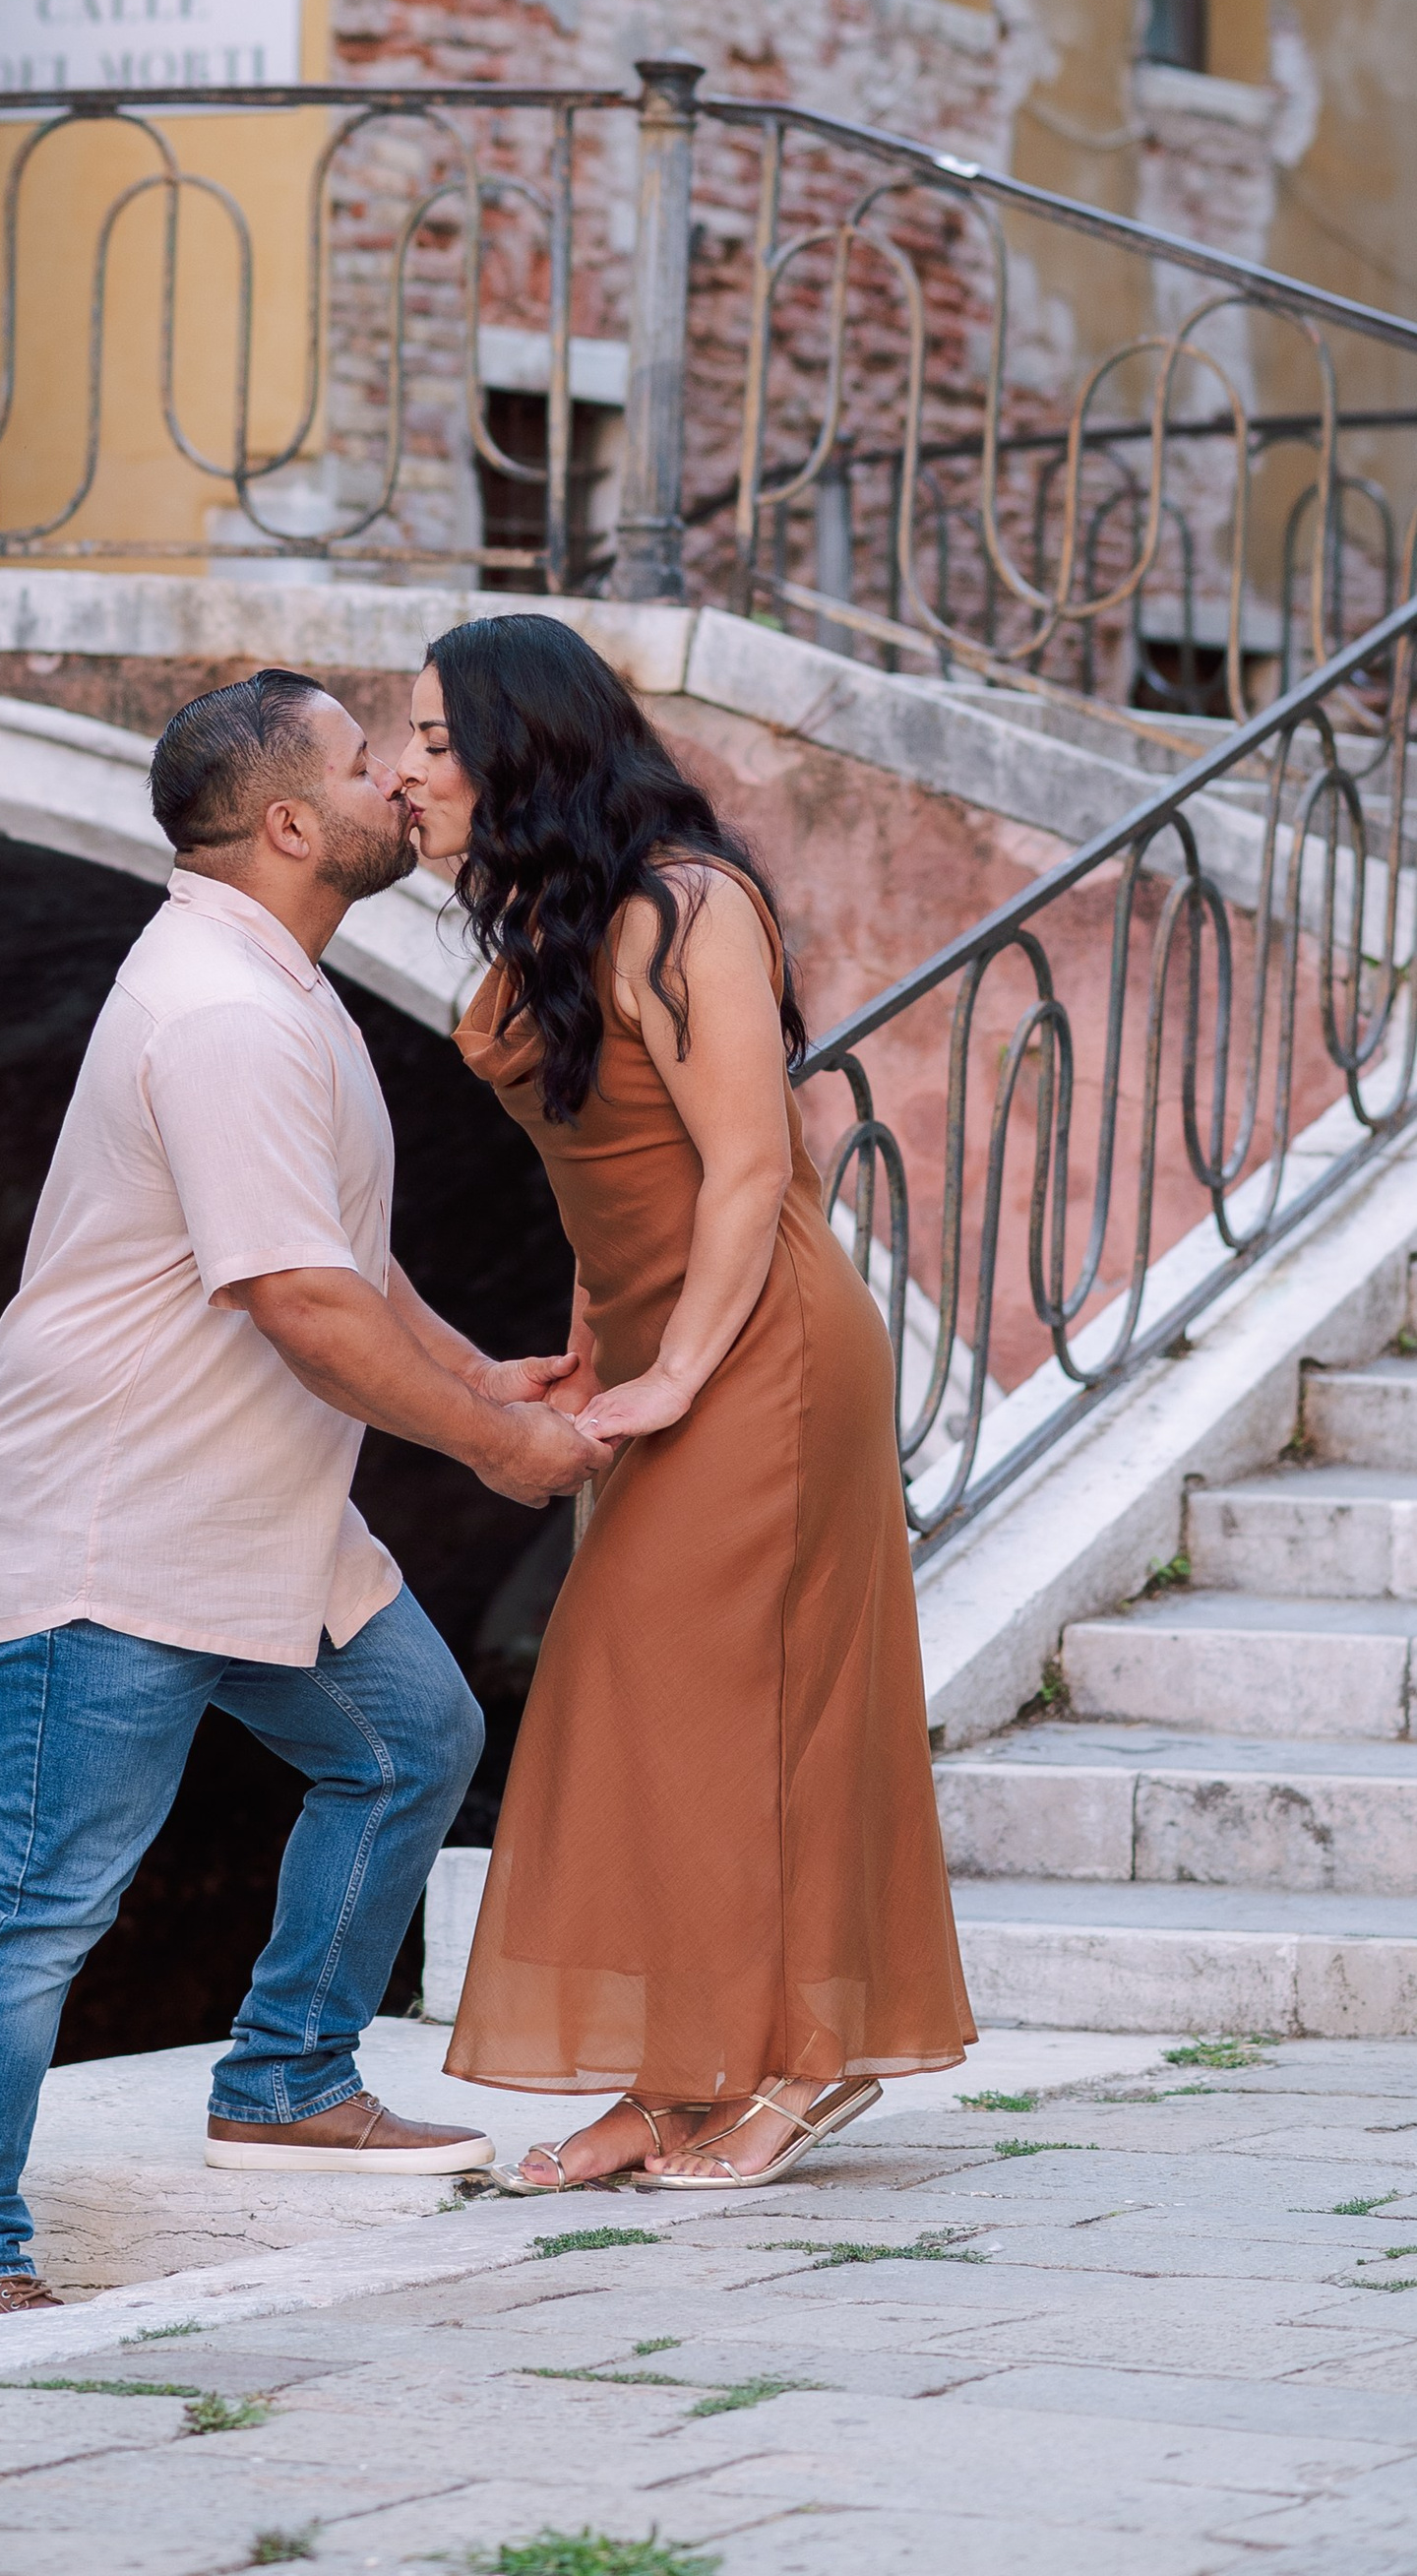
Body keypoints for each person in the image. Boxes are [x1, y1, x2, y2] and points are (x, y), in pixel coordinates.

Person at [0, 667, 603, 2328]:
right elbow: (295, 1299)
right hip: (113, 1523)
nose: (401, 785)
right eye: (369, 765)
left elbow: (345, 1258)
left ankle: (287, 2076)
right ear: (293, 824)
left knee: (413, 1743)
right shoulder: (218, 1009)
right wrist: (495, 1451)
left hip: (260, 1523)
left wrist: (483, 1370)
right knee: (45, 1898)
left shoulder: (271, 983)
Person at [394, 612, 973, 2194]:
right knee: (641, 1706)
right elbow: (608, 1179)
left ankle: (804, 2063)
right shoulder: (545, 937)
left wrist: (678, 1371)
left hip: (768, 1351)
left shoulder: (689, 907)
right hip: (669, 1341)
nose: (404, 768)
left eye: (436, 740)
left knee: (718, 1693)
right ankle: (673, 2080)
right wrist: (595, 1342)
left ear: (524, 747)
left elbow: (746, 1171)